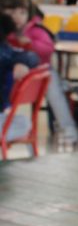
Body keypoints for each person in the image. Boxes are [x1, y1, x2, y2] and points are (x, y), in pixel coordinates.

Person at [0, 0, 78, 144]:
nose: (17, 17)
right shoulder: (5, 34)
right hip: (15, 79)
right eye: (11, 13)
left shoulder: (36, 30)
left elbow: (47, 50)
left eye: (22, 13)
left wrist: (30, 43)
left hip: (41, 73)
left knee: (55, 93)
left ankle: (68, 128)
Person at [0, 13, 40, 141]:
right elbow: (31, 56)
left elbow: (31, 56)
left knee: (22, 123)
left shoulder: (5, 52)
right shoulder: (7, 51)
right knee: (23, 123)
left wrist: (21, 63)